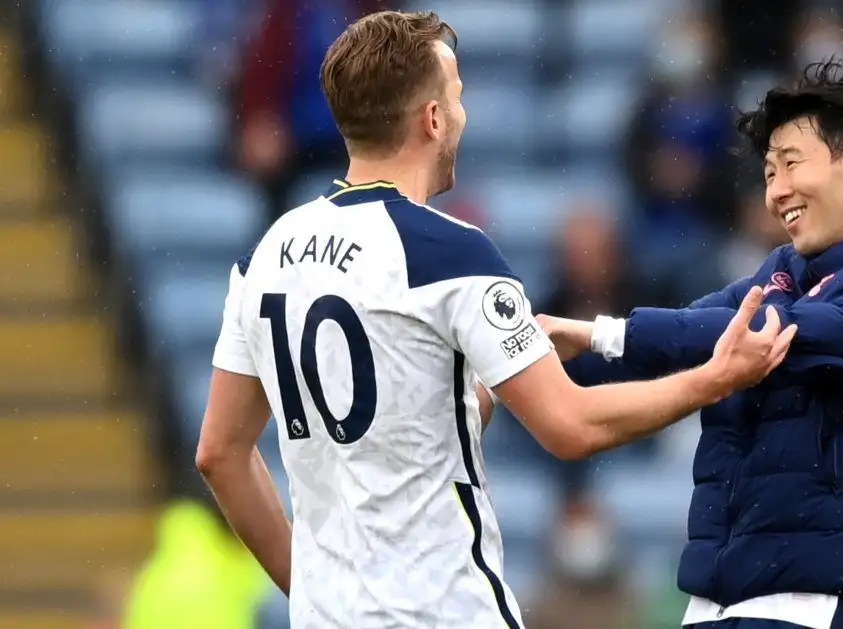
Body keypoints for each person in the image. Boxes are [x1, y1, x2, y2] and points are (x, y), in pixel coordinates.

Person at [193, 10, 796, 629]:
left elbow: (220, 453)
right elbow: (571, 426)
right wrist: (716, 378)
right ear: (431, 119)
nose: (461, 113)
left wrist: (312, 590)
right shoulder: (447, 251)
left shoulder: (265, 256)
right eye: (455, 96)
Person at [539, 61, 843, 629]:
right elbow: (688, 333)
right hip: (717, 601)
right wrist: (547, 347)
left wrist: (600, 332)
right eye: (769, 173)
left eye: (792, 165)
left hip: (811, 604)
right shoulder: (786, 271)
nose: (777, 192)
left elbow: (777, 334)